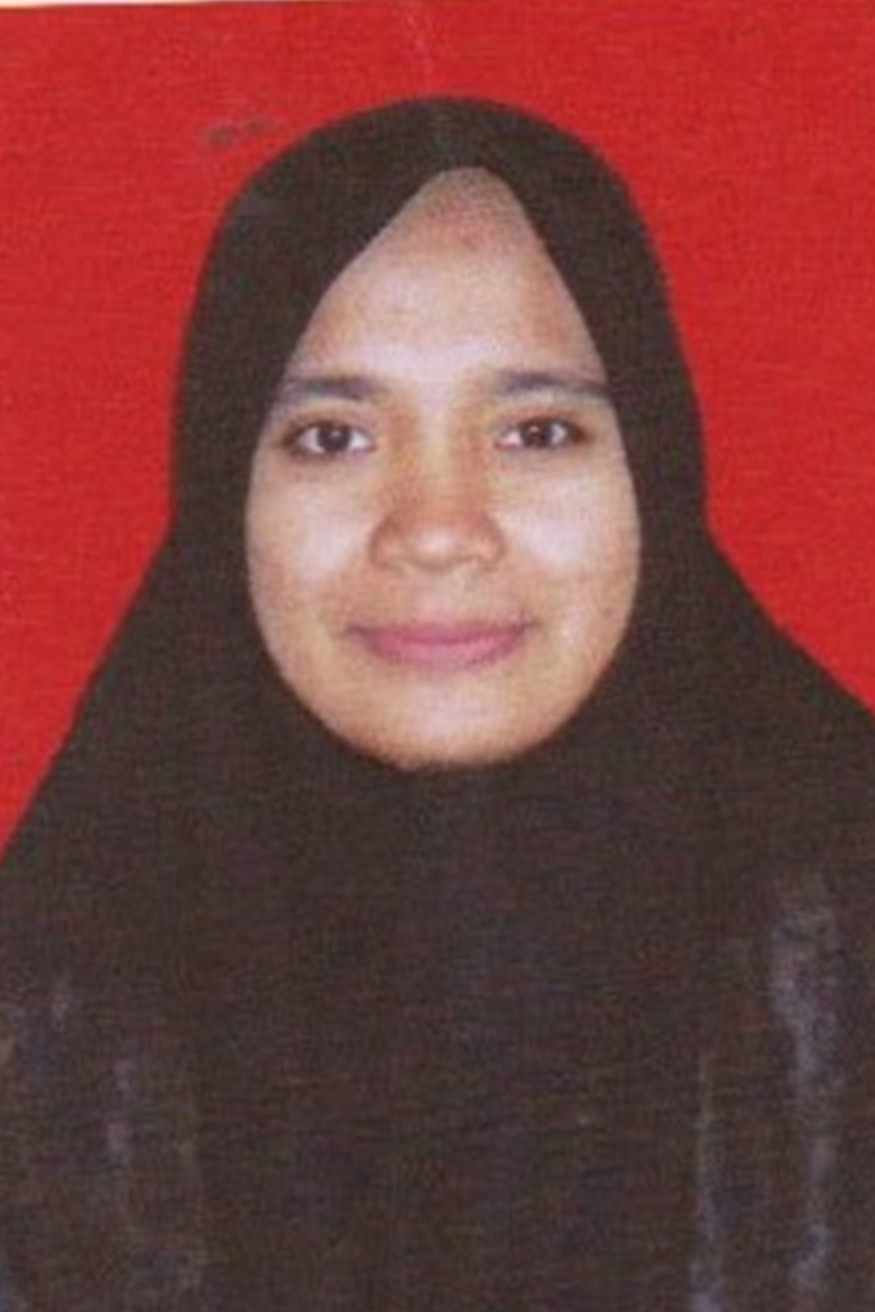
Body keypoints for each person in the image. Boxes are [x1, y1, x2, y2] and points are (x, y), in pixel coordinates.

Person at [1, 97, 874, 1311]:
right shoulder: (51, 1011)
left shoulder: (839, 962)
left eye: (535, 430)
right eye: (330, 438)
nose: (435, 528)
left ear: (657, 469)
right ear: (221, 493)